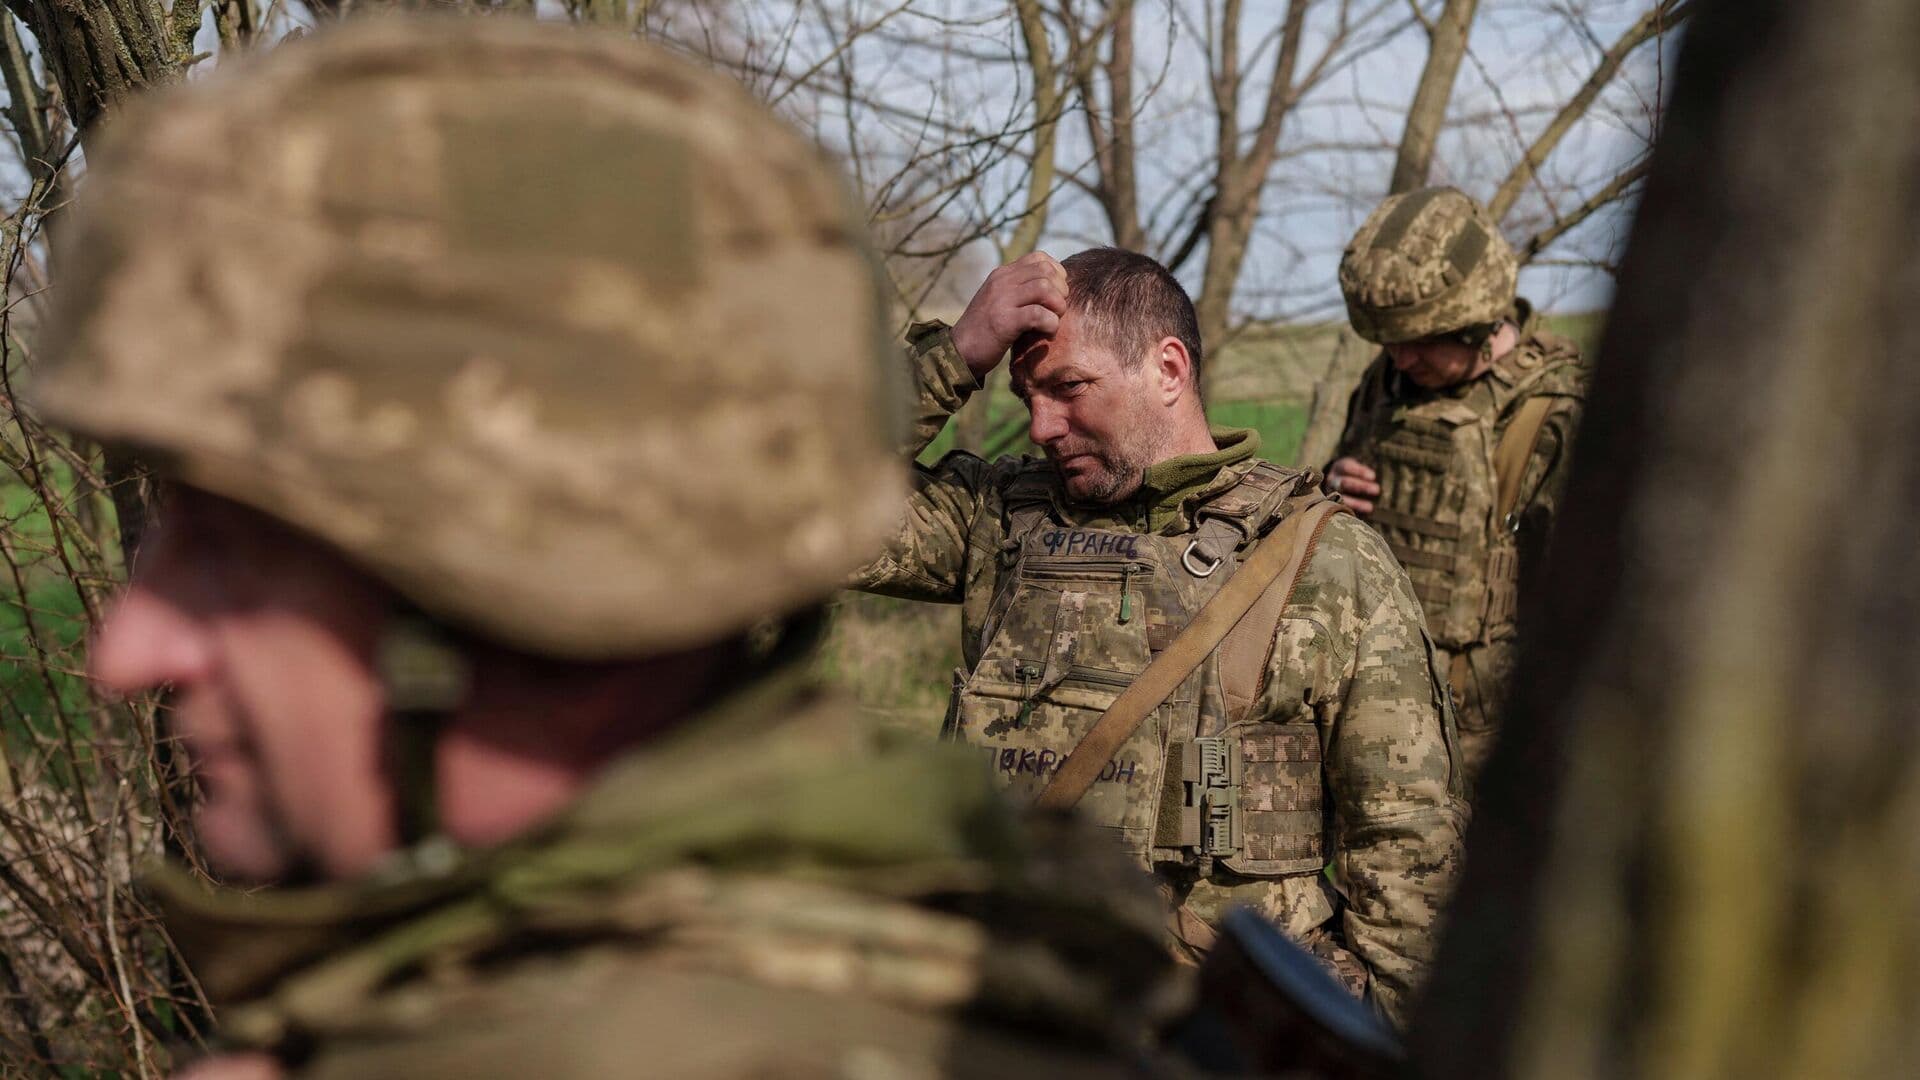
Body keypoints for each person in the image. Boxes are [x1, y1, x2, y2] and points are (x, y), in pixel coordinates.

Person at [32, 19, 1189, 1079]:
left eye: (233, 549)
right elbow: (828, 510)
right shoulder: (964, 949)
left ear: (511, 571)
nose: (126, 650)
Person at [852, 246, 1467, 1026]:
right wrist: (955, 355)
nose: (1042, 424)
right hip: (993, 1006)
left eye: (1070, 387)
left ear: (1168, 369)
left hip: (1198, 1031)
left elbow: (1408, 855)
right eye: (1026, 394)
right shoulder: (997, 518)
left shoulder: (1321, 559)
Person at [1326, 187, 1589, 790]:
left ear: (1477, 322)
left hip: (1486, 732)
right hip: (1371, 703)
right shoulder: (1385, 383)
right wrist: (1333, 489)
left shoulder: (1554, 410)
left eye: (1419, 339)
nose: (1400, 356)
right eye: (1387, 340)